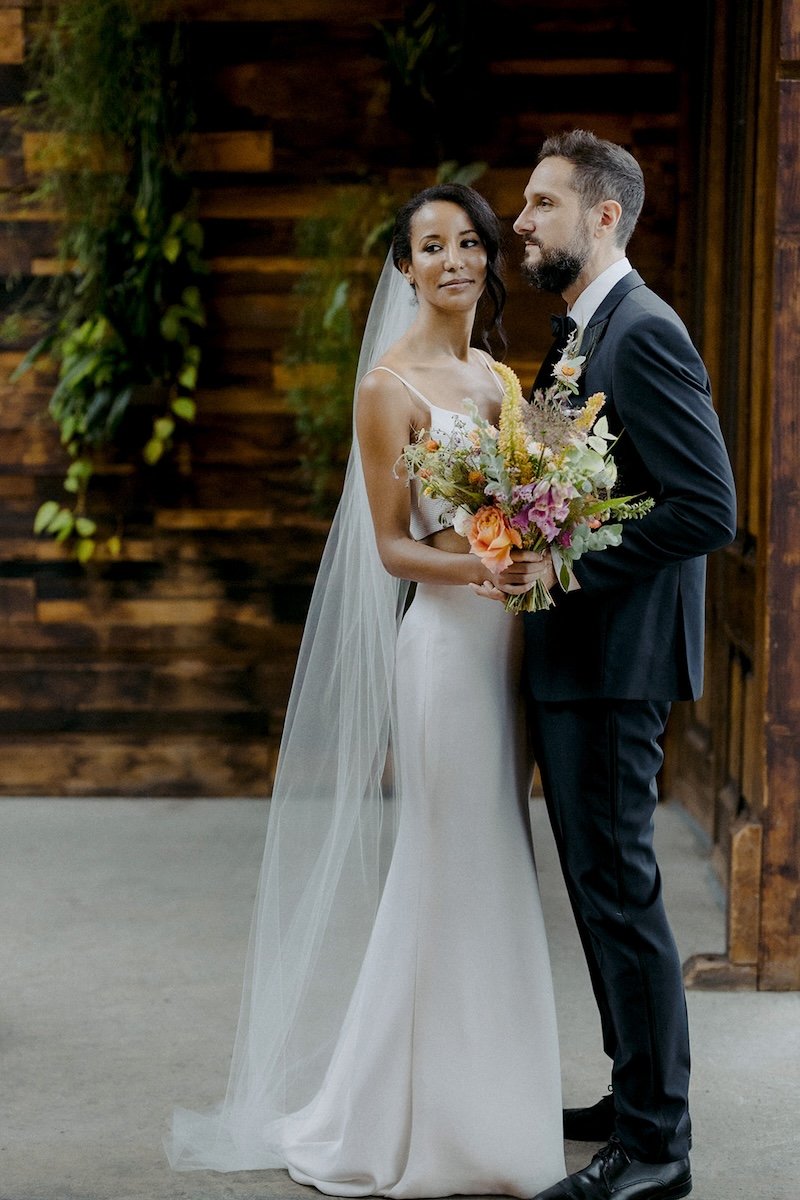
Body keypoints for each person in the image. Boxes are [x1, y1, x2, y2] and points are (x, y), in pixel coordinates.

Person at [166, 183, 566, 1198]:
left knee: (496, 865)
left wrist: (539, 555)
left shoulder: (499, 379)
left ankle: (493, 1114)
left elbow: (526, 519)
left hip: (505, 652)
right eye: (429, 247)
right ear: (402, 269)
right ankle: (410, 1126)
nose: (453, 261)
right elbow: (392, 548)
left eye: (468, 243)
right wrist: (479, 570)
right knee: (445, 867)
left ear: (487, 260)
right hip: (441, 653)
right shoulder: (388, 388)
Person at [507, 131, 737, 1200]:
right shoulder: (581, 335)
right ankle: (629, 1090)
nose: (520, 223)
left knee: (620, 895)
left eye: (542, 204)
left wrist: (562, 561)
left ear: (602, 217)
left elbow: (705, 508)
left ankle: (654, 1148)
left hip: (614, 661)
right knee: (598, 895)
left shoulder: (639, 332)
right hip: (580, 660)